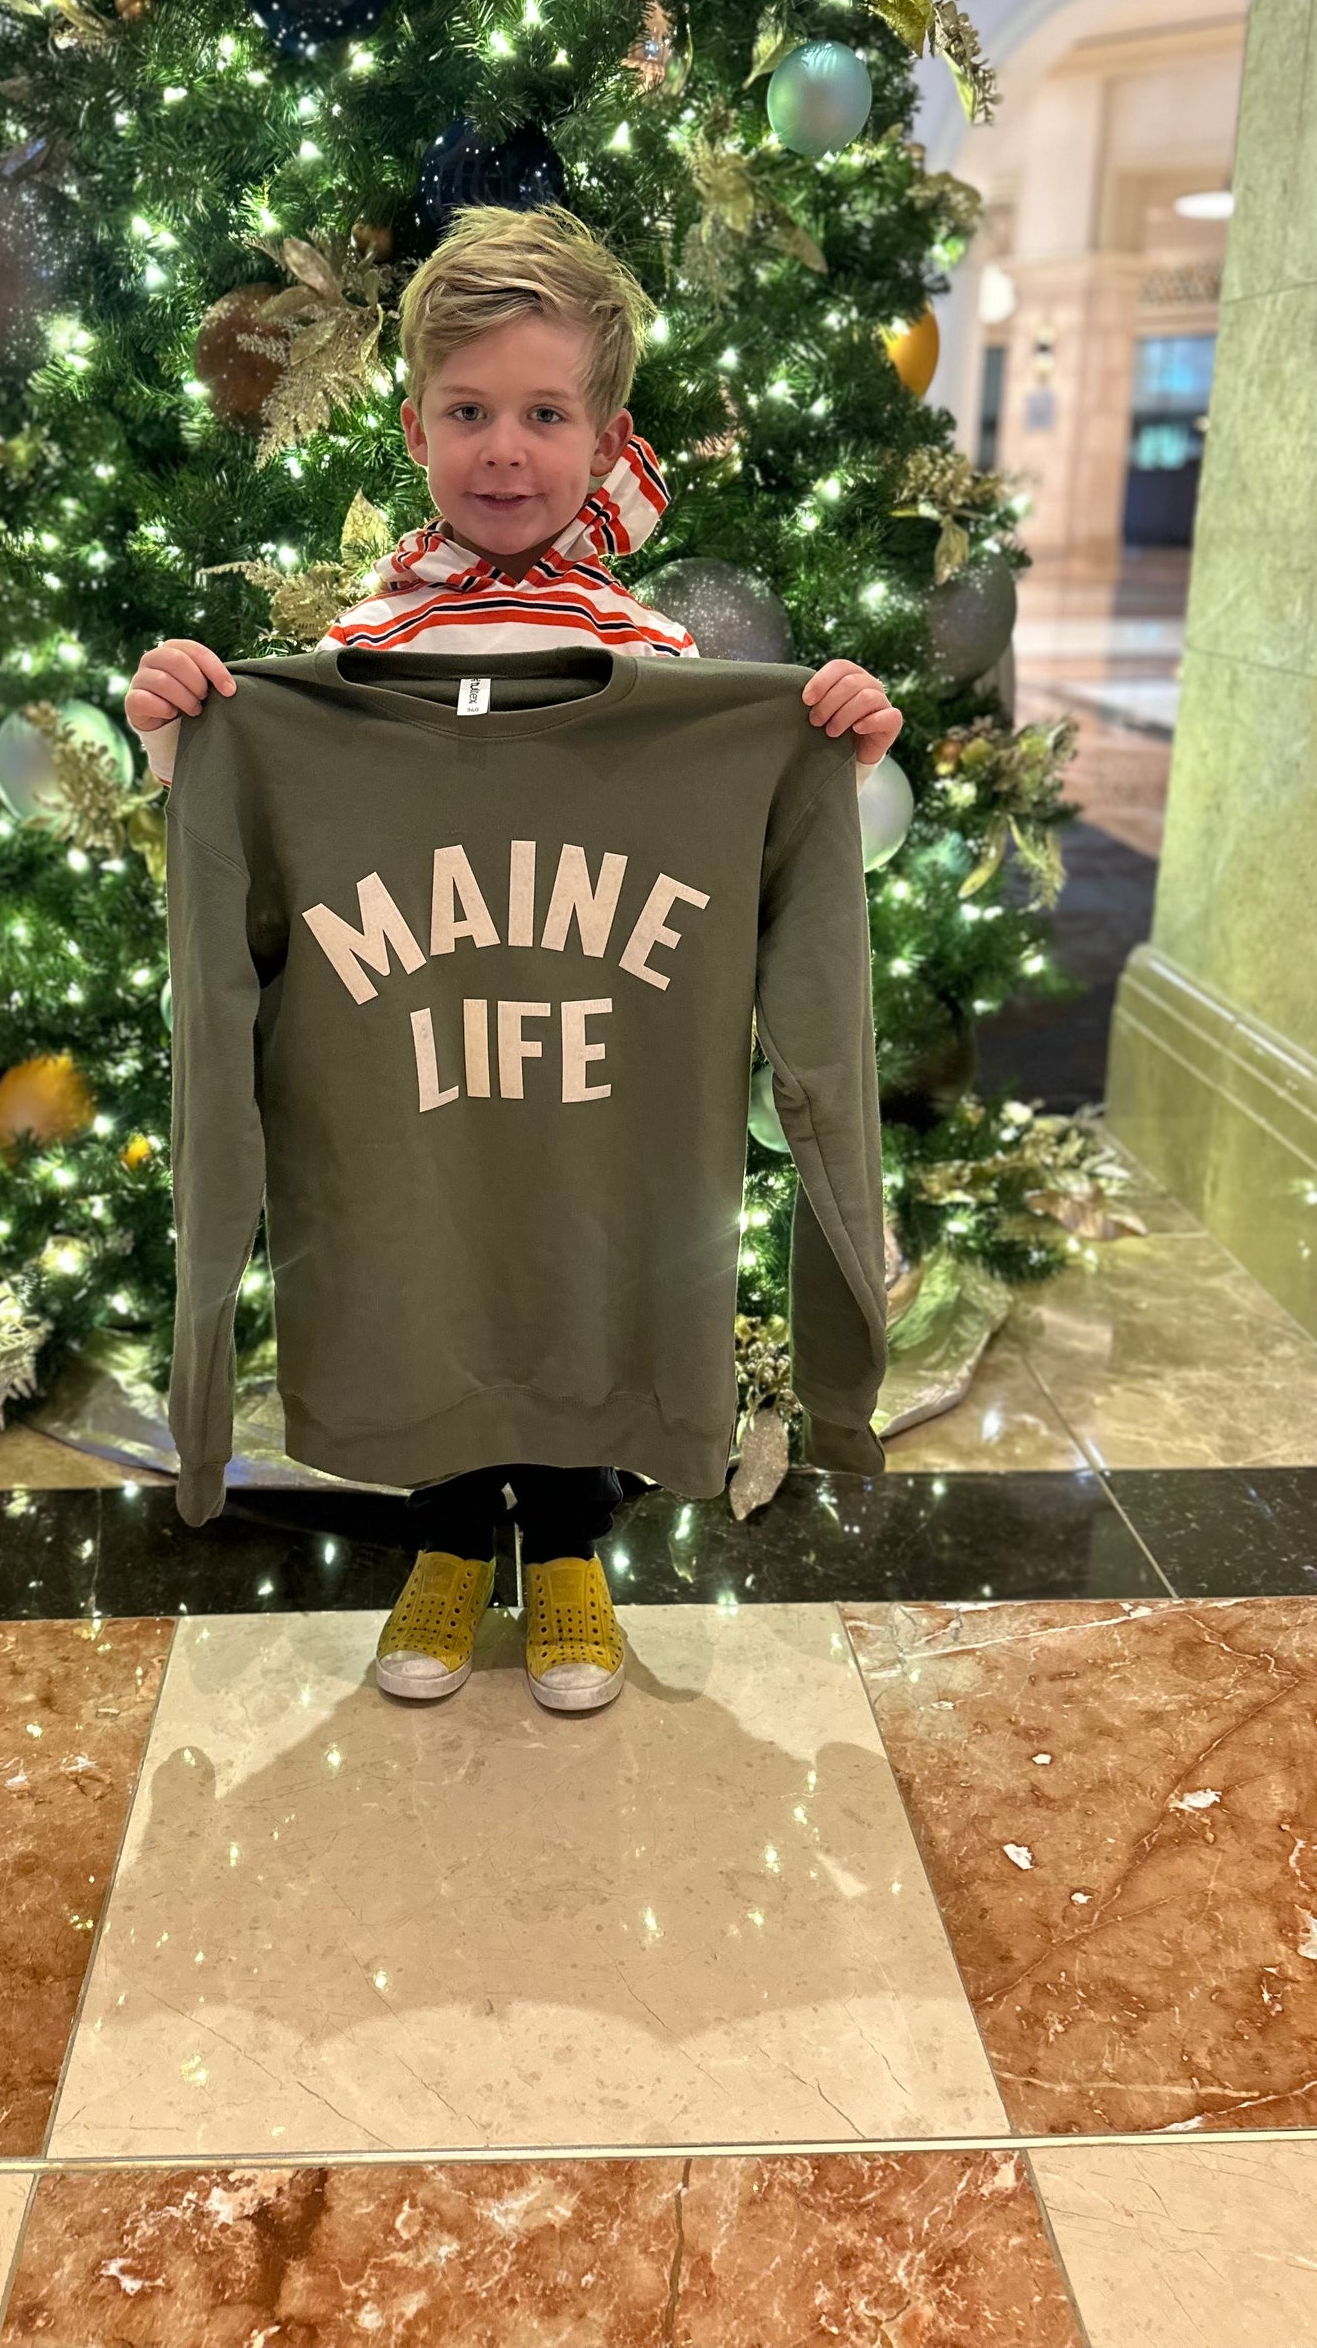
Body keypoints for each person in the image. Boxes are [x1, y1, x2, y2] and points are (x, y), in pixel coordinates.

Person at [128, 204, 903, 1715]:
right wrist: (183, 739)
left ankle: (564, 1555)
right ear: (412, 425)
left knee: (582, 1267)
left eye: (545, 415)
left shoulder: (668, 682)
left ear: (605, 442)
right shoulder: (347, 668)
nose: (503, 450)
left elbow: (784, 864)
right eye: (468, 410)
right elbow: (247, 854)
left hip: (600, 1137)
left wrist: (838, 752)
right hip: (407, 1122)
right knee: (427, 1270)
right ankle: (443, 1546)